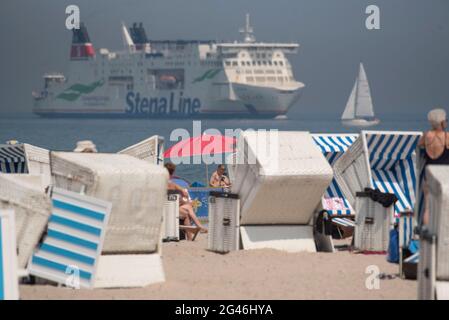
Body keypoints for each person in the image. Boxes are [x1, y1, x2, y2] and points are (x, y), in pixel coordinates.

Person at [418, 108, 449, 225]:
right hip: (444, 178)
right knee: (444, 207)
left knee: (428, 208)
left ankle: (427, 233)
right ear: (441, 122)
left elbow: (418, 146)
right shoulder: (446, 137)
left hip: (429, 175)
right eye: (445, 120)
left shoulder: (426, 136)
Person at [164, 162, 207, 239]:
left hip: (164, 208)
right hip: (171, 210)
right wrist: (185, 201)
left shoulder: (162, 183)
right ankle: (197, 228)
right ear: (173, 172)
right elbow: (184, 193)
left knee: (186, 212)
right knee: (188, 208)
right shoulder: (172, 184)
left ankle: (196, 230)